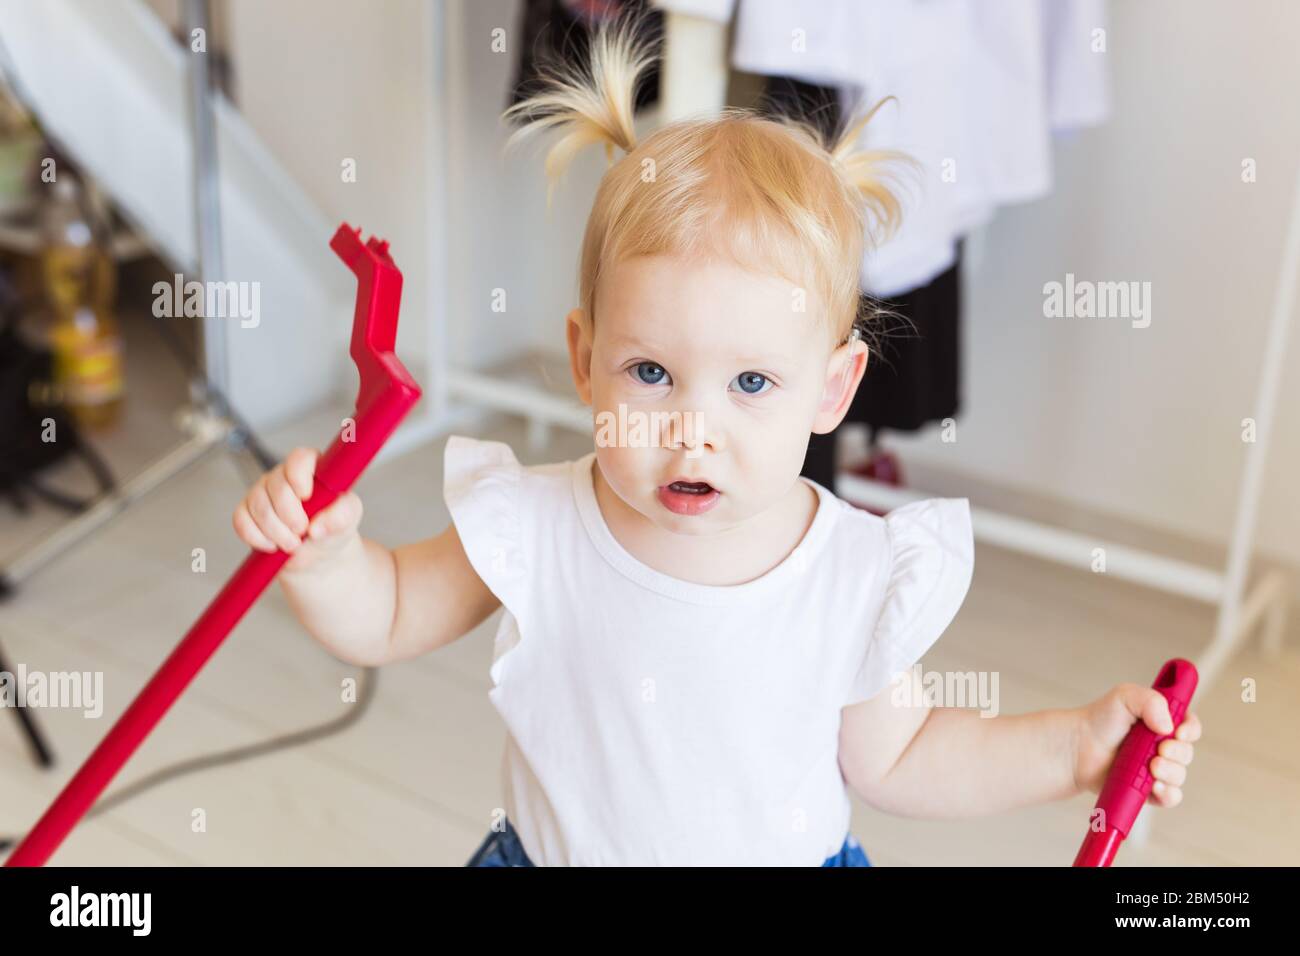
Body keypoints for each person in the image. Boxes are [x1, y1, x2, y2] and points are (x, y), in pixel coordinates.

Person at [231, 17, 1199, 867]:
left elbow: (902, 755)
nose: (694, 429)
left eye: (750, 383)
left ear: (831, 389)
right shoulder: (536, 520)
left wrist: (1073, 749)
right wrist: (324, 558)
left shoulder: (852, 573)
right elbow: (392, 610)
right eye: (649, 372)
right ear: (584, 358)